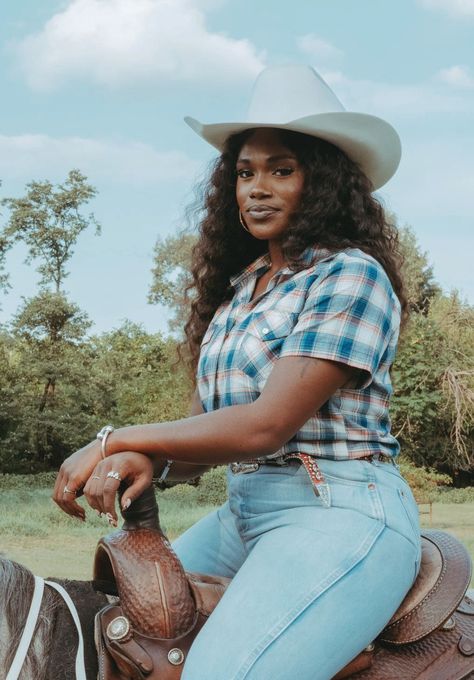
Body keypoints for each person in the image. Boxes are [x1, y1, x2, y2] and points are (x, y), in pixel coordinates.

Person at [53, 65, 422, 680]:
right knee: (121, 639)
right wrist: (155, 461)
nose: (257, 187)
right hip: (242, 513)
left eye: (282, 169)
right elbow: (208, 436)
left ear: (323, 181)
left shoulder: (349, 276)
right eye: (245, 173)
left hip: (337, 508)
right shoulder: (242, 292)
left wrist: (116, 440)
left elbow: (263, 428)